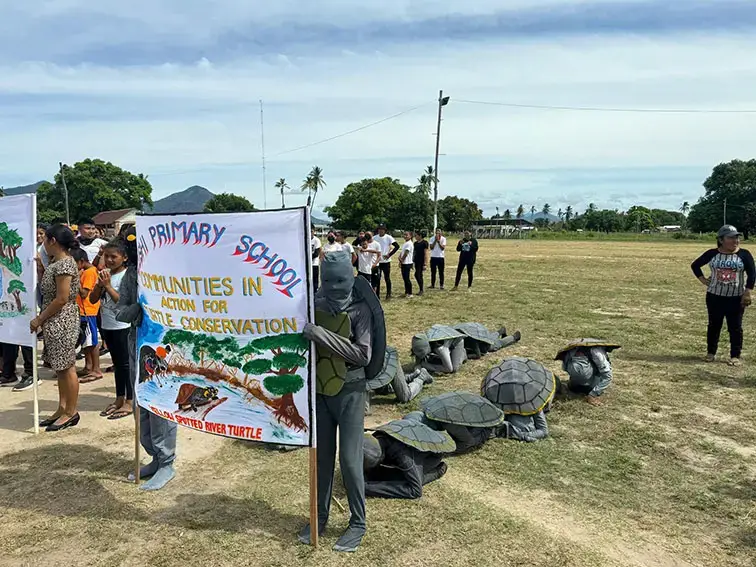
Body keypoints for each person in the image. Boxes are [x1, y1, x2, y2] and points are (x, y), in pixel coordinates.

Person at [299, 250, 385, 552]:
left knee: (350, 460)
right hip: (321, 392)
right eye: (327, 279)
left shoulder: (360, 310)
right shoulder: (314, 305)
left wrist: (320, 335)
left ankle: (357, 521)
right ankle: (319, 514)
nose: (334, 286)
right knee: (321, 458)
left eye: (340, 279)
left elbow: (363, 355)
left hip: (351, 391)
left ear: (351, 277)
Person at [115, 227, 178, 491]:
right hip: (136, 345)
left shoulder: (168, 272)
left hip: (163, 346)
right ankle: (153, 455)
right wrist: (135, 310)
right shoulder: (131, 274)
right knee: (141, 405)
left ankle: (167, 462)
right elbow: (119, 311)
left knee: (161, 403)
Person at [32, 224, 81, 432]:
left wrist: (40, 318)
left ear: (53, 241)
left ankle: (71, 412)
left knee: (67, 367)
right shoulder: (55, 262)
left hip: (62, 319)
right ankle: (62, 408)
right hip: (55, 320)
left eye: (45, 240)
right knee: (60, 367)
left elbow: (61, 298)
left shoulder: (64, 265)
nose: (43, 244)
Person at [691, 225, 754, 366]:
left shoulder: (744, 254)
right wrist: (702, 280)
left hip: (736, 297)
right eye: (731, 238)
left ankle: (735, 355)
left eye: (737, 237)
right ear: (721, 240)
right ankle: (711, 353)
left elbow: (752, 274)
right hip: (715, 296)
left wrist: (748, 292)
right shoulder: (712, 254)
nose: (735, 240)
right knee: (714, 325)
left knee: (735, 327)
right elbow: (695, 265)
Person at [89, 238, 132, 420]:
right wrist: (100, 286)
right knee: (117, 365)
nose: (109, 260)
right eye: (106, 256)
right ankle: (119, 398)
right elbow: (92, 300)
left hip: (124, 326)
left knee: (126, 365)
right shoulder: (104, 274)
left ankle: (130, 401)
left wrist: (107, 286)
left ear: (124, 257)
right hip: (107, 325)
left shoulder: (128, 276)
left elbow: (125, 303)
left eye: (114, 256)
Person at [363, 417, 449, 500]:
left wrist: (366, 488)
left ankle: (437, 472)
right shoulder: (377, 436)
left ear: (381, 458)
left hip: (431, 455)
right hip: (406, 434)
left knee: (399, 478)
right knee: (374, 474)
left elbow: (415, 491)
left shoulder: (405, 456)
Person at [72, 248, 102, 383]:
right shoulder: (88, 271)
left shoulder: (89, 273)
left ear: (82, 261)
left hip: (88, 310)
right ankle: (88, 366)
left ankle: (96, 369)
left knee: (92, 341)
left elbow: (84, 293)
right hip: (84, 311)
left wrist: (77, 278)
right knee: (86, 341)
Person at [373, 224, 399, 300]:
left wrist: (389, 254)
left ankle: (388, 294)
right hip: (377, 261)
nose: (380, 230)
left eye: (382, 229)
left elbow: (397, 246)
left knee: (387, 278)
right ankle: (377, 295)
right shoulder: (375, 238)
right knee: (377, 278)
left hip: (386, 261)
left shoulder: (388, 237)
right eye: (379, 229)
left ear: (385, 230)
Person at [413, 231, 429, 296]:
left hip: (421, 261)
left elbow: (426, 253)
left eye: (416, 235)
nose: (415, 237)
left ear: (420, 236)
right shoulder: (415, 243)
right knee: (418, 275)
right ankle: (421, 289)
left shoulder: (424, 243)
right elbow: (414, 252)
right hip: (416, 261)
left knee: (418, 275)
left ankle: (421, 289)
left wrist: (425, 263)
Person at [399, 231, 414, 297]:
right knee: (404, 278)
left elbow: (406, 252)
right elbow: (402, 252)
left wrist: (402, 259)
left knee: (407, 278)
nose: (405, 236)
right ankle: (406, 291)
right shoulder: (406, 243)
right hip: (404, 263)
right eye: (404, 235)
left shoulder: (409, 243)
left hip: (407, 263)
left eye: (406, 235)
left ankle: (410, 293)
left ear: (410, 236)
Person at [311, 228, 322, 292]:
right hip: (306, 263)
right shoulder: (305, 239)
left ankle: (315, 291)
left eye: (312, 231)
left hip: (314, 263)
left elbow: (316, 253)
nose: (310, 233)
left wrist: (308, 258)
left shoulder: (316, 240)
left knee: (315, 278)